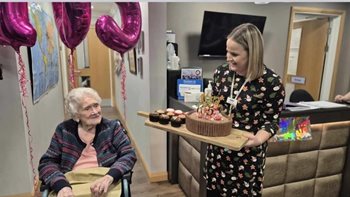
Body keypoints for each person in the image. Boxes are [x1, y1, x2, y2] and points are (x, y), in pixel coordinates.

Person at [204, 23, 285, 196]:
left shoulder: (272, 83)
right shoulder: (222, 73)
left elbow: (272, 122)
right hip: (218, 153)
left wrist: (257, 140)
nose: (227, 57)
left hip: (247, 158)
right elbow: (215, 106)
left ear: (252, 53)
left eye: (234, 54)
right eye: (227, 51)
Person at [38, 87, 136, 197]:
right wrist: (61, 185)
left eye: (96, 105)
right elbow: (47, 162)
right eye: (87, 108)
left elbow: (129, 154)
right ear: (76, 114)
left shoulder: (111, 128)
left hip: (104, 183)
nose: (95, 112)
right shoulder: (64, 130)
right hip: (72, 185)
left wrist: (109, 177)